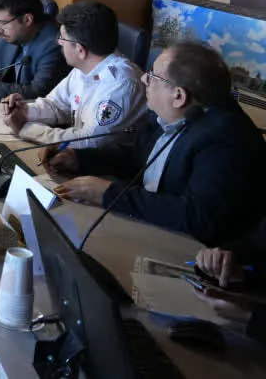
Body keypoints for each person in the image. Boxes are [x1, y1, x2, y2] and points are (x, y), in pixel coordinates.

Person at [47, 41, 266, 245]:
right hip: (150, 227)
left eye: (153, 75)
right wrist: (78, 158)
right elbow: (135, 157)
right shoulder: (173, 112)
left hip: (192, 250)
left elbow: (198, 217)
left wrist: (109, 194)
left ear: (178, 96)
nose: (144, 79)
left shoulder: (225, 138)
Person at [0, 1, 146, 147]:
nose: (59, 42)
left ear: (80, 50)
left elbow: (88, 141)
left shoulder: (120, 85)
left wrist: (25, 129)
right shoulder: (86, 66)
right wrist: (23, 111)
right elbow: (57, 105)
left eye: (62, 37)